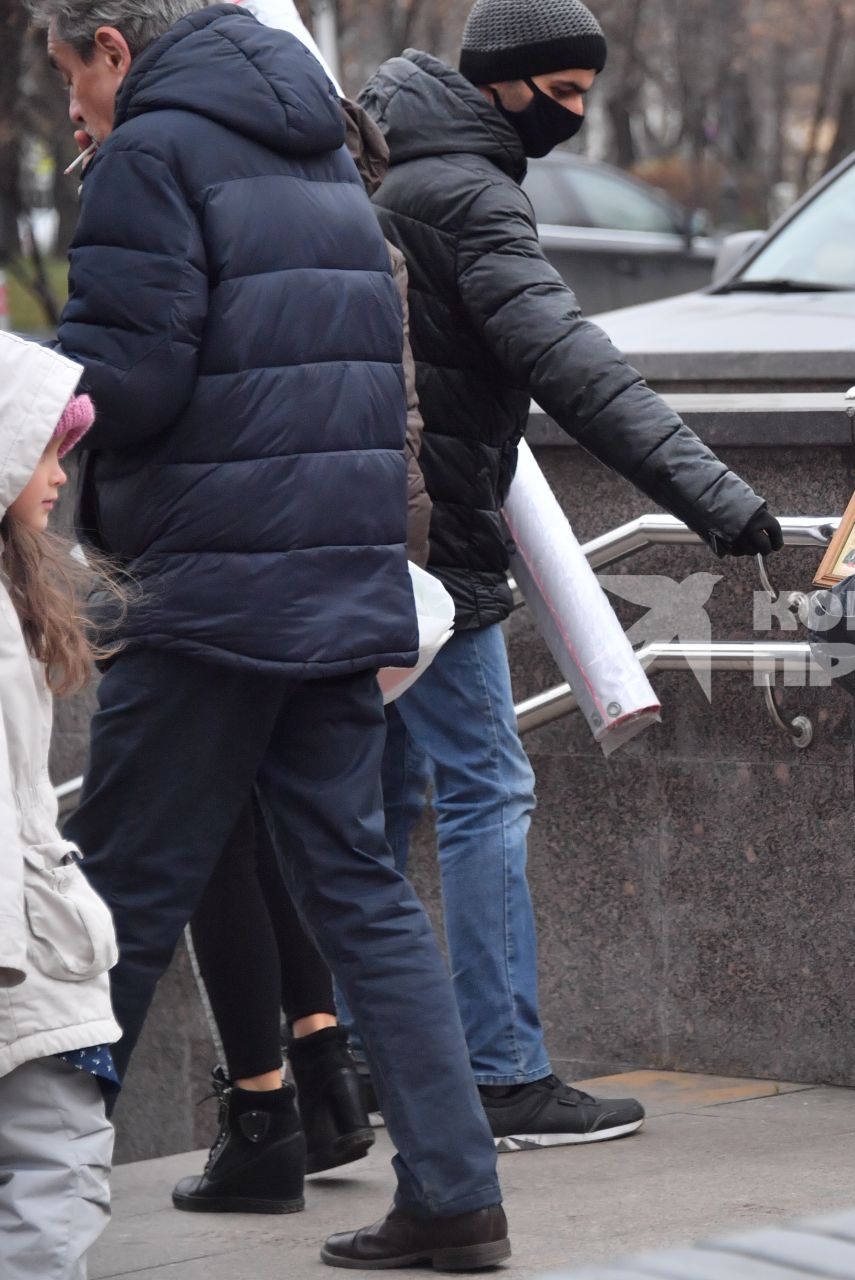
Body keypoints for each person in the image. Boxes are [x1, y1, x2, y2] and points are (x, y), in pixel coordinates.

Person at [36, 0, 507, 1266]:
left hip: (205, 590)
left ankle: (34, 1203)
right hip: (337, 581)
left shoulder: (152, 153)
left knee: (112, 899)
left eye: (69, 78)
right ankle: (458, 1195)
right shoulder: (323, 147)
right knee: (360, 887)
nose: (71, 111)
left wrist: (35, 380)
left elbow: (131, 378)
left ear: (113, 47)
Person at [355, 0, 782, 1151]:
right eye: (564, 91)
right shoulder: (471, 198)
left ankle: (346, 1063)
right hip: (438, 552)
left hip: (360, 542)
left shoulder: (384, 162)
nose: (577, 114)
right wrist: (718, 498)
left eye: (590, 92)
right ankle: (501, 1071)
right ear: (504, 82)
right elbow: (575, 366)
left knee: (378, 809)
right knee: (488, 791)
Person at [169, 92, 434, 1219]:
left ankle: (268, 1106)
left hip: (244, 561)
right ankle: (331, 1080)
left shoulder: (219, 212)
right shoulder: (357, 229)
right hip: (364, 556)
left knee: (199, 837)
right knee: (326, 844)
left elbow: (164, 388)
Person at [0, 337, 116, 1280]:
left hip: (30, 945)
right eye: (46, 445)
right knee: (56, 1179)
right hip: (22, 961)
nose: (59, 472)